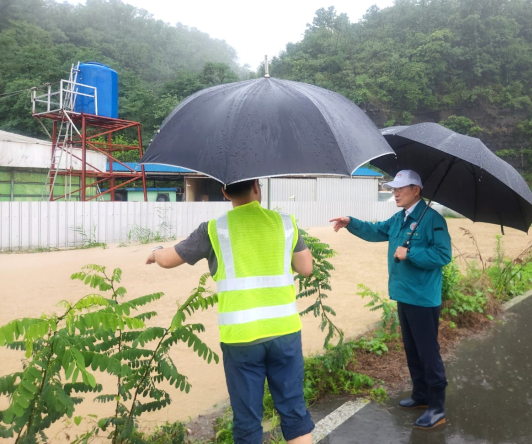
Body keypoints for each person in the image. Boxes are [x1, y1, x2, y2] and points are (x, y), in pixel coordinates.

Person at [146, 179, 315, 444]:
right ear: (257, 187)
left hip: (241, 338)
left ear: (225, 192)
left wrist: (155, 252)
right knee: (294, 413)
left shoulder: (214, 229)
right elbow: (306, 268)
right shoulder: (285, 222)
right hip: (285, 333)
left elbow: (168, 259)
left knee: (247, 422)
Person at [330, 169, 451, 429]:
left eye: (400, 188)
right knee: (412, 349)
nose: (394, 192)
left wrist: (412, 253)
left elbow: (443, 255)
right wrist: (351, 221)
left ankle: (437, 408)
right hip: (403, 294)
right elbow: (375, 231)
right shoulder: (400, 219)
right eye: (393, 188)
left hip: (423, 298)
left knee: (428, 353)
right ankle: (420, 395)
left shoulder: (432, 220)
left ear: (416, 190)